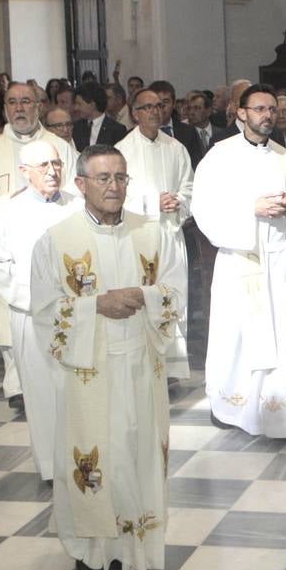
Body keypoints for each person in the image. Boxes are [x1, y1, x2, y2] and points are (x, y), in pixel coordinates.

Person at [32, 145, 185, 570]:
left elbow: (175, 288)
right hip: (89, 370)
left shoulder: (153, 233)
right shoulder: (57, 240)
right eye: (103, 178)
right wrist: (95, 304)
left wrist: (146, 297)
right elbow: (43, 308)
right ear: (80, 184)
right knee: (98, 458)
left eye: (120, 177)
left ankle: (138, 549)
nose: (114, 186)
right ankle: (93, 552)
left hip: (140, 367)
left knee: (136, 453)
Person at [192, 85, 286, 448]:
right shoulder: (219, 156)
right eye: (259, 108)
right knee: (239, 342)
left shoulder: (283, 157)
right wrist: (251, 210)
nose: (267, 115)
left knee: (284, 344)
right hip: (241, 263)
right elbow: (204, 209)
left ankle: (284, 420)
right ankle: (231, 407)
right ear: (240, 112)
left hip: (281, 264)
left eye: (272, 109)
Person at [0, 81, 78, 411]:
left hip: (57, 244)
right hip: (14, 247)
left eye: (26, 102)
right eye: (13, 102)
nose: (19, 108)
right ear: (4, 108)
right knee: (11, 318)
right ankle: (17, 385)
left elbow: (75, 190)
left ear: (39, 106)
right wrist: (10, 207)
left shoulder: (60, 146)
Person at [0, 141, 78, 478]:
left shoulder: (77, 205)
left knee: (76, 389)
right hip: (31, 314)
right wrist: (32, 298)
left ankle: (81, 459)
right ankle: (52, 468)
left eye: (56, 163)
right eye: (43, 166)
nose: (52, 171)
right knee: (40, 392)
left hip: (75, 313)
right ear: (25, 172)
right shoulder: (9, 209)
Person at [114, 88, 194, 379]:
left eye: (159, 106)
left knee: (173, 295)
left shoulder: (176, 148)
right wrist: (152, 202)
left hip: (171, 234)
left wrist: (179, 201)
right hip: (138, 235)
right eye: (147, 107)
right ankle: (145, 363)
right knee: (146, 297)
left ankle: (172, 367)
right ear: (135, 113)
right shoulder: (122, 151)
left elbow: (189, 186)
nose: (155, 112)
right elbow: (116, 193)